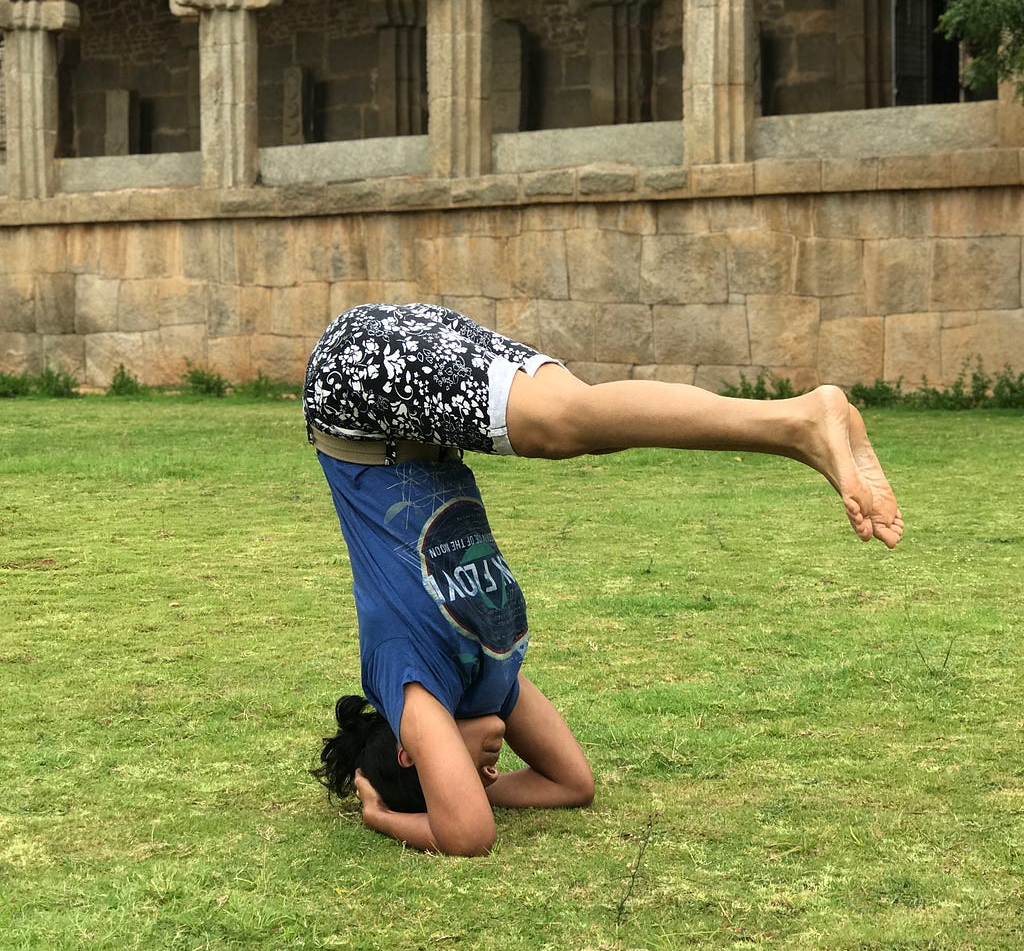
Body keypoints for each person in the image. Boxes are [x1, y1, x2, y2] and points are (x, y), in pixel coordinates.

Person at [305, 302, 902, 857]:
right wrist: (477, 788)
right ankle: (810, 426)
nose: (487, 771)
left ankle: (798, 422)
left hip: (353, 382)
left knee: (565, 424)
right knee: (572, 413)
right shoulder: (483, 680)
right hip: (406, 423)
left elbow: (467, 834)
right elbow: (570, 783)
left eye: (459, 773)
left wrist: (384, 816)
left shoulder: (408, 679)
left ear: (412, 753)